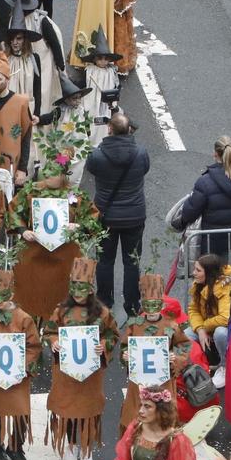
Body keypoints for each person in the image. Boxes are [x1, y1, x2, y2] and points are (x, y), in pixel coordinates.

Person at [84, 112, 149, 312]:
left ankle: (104, 301)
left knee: (105, 260)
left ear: (109, 129)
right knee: (132, 261)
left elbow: (91, 169)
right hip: (134, 215)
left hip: (107, 216)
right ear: (129, 130)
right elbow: (145, 169)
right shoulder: (140, 153)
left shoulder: (98, 155)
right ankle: (131, 303)